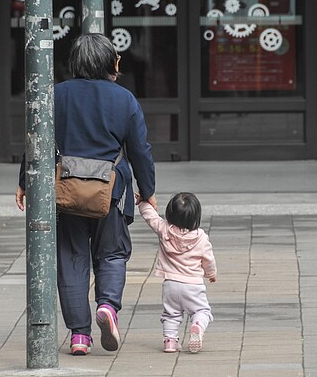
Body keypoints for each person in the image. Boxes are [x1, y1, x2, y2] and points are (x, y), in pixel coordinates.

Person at [15, 33, 156, 356]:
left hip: (66, 190)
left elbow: (36, 141)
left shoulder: (56, 95)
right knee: (111, 253)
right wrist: (147, 191)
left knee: (71, 257)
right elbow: (140, 150)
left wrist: (25, 181)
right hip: (111, 193)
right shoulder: (124, 100)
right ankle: (107, 305)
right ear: (112, 63)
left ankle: (79, 335)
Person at [136, 192, 217, 353]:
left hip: (170, 284)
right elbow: (208, 259)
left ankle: (170, 342)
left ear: (168, 214)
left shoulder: (164, 229)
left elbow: (149, 216)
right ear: (196, 217)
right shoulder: (201, 237)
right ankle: (197, 326)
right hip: (193, 285)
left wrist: (143, 202)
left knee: (171, 315)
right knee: (202, 311)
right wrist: (211, 273)